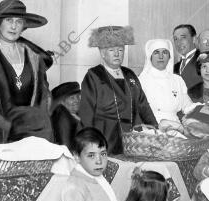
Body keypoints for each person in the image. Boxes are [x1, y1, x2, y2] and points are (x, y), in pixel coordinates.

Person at [0, 0, 53, 144]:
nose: (13, 26)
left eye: (19, 21)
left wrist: (40, 120)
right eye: (8, 20)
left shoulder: (34, 57)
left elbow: (44, 95)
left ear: (24, 25)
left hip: (34, 132)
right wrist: (7, 126)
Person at [79, 25, 157, 155]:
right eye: (111, 50)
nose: (117, 54)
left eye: (120, 50)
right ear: (102, 53)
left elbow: (143, 104)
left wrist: (155, 128)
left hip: (132, 139)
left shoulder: (129, 74)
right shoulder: (94, 75)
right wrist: (89, 143)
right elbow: (86, 113)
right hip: (104, 136)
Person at [139, 39, 193, 125]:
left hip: (175, 126)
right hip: (150, 127)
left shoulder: (177, 80)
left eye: (165, 52)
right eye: (156, 52)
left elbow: (188, 106)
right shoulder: (141, 81)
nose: (161, 56)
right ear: (150, 56)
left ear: (169, 56)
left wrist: (201, 110)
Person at [50, 81, 81, 149]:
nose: (77, 100)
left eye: (78, 96)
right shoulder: (62, 116)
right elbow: (64, 146)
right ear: (62, 101)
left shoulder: (76, 115)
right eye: (72, 98)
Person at [173, 24, 201, 89]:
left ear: (194, 39)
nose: (179, 43)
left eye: (183, 37)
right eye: (175, 39)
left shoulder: (205, 60)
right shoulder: (174, 67)